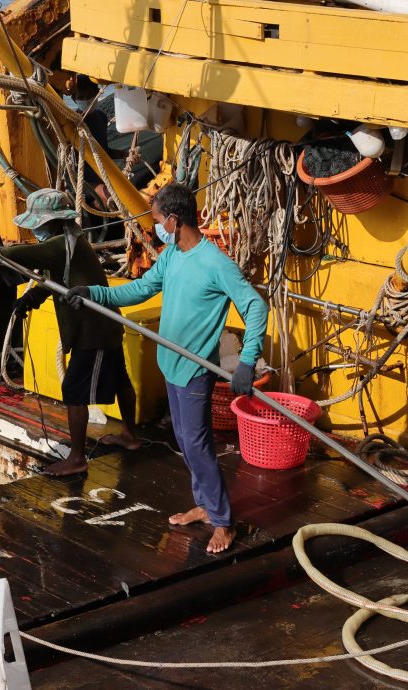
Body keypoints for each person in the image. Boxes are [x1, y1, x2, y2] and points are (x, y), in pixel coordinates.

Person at [64, 183, 268, 553]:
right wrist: (94, 293)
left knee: (197, 443)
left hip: (193, 371)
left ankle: (223, 521)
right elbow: (139, 289)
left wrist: (248, 361)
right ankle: (204, 505)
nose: (156, 226)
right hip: (169, 365)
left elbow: (256, 307)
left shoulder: (215, 263)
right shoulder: (173, 255)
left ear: (173, 220)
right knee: (186, 441)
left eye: (158, 219)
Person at [0, 188, 139, 477]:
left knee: (73, 389)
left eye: (38, 224)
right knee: (120, 378)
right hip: (104, 322)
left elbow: (17, 254)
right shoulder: (71, 242)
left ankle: (77, 458)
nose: (35, 229)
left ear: (52, 222)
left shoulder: (60, 244)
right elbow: (55, 280)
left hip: (94, 329)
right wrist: (31, 298)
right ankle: (129, 435)